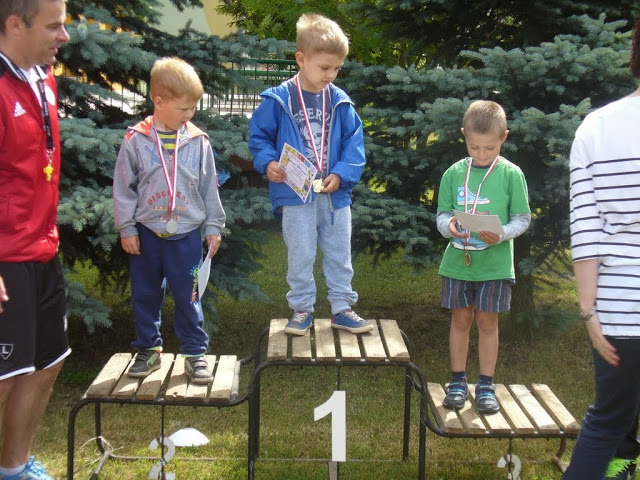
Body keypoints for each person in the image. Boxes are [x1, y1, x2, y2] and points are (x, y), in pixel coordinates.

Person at [249, 13, 373, 336]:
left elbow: (354, 145)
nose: (330, 75)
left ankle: (342, 308)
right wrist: (268, 163)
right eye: (324, 67)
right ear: (301, 59)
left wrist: (342, 175)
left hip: (334, 197)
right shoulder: (279, 100)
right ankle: (302, 308)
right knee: (301, 254)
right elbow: (259, 137)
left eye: (336, 69)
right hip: (295, 194)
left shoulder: (340, 102)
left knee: (339, 254)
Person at [113, 57, 226, 385]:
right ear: (159, 102)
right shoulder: (135, 140)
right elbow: (123, 187)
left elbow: (209, 188)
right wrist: (127, 227)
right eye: (184, 108)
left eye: (194, 108)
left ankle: (194, 353)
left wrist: (214, 226)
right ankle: (148, 349)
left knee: (189, 297)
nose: (190, 114)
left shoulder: (198, 141)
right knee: (145, 295)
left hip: (187, 236)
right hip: (146, 235)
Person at [563, 18, 640, 480]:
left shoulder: (596, 127)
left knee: (607, 420)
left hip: (617, 311)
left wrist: (590, 312)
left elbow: (586, 229)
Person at [0, 1, 71, 479]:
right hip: (5, 259)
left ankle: (14, 467)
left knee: (46, 364)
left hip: (44, 251)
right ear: (15, 24)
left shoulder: (43, 76)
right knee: (3, 377)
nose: (64, 36)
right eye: (54, 26)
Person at [436, 100, 531, 415]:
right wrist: (449, 227)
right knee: (460, 320)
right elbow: (442, 215)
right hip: (458, 263)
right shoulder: (453, 173)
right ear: (464, 135)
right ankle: (458, 382)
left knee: (488, 322)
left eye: (490, 148)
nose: (481, 154)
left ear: (504, 137)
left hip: (495, 265)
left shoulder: (511, 174)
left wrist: (501, 233)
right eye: (474, 147)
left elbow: (522, 218)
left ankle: (486, 385)